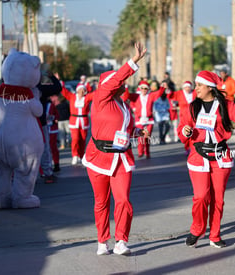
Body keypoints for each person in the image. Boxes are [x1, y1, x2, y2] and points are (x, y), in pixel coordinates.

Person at [82, 42, 148, 256]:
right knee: (101, 202)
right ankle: (103, 240)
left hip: (122, 158)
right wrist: (134, 61)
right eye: (120, 81)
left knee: (123, 200)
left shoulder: (123, 104)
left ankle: (121, 241)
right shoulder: (101, 97)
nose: (124, 83)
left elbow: (124, 128)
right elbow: (117, 78)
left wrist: (137, 132)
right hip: (98, 157)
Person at [178, 70, 235, 248]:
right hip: (199, 156)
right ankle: (197, 228)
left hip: (221, 156)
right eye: (196, 85)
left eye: (199, 85)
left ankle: (214, 234)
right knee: (200, 196)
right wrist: (185, 131)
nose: (195, 88)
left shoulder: (225, 105)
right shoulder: (192, 107)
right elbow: (183, 126)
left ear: (210, 87)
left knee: (217, 199)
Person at [122, 79, 166, 158]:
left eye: (145, 88)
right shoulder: (136, 96)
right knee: (140, 137)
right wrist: (126, 87)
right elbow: (126, 96)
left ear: (148, 89)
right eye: (142, 88)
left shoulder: (151, 96)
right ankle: (140, 152)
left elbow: (159, 93)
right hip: (139, 120)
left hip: (149, 120)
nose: (143, 90)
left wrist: (162, 87)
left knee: (147, 137)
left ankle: (147, 152)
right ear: (140, 88)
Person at [61, 83, 95, 165]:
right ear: (77, 90)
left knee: (83, 140)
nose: (82, 91)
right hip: (74, 121)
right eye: (81, 89)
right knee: (75, 139)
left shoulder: (86, 98)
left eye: (84, 90)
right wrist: (59, 82)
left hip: (84, 121)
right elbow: (64, 91)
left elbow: (95, 94)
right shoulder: (72, 96)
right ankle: (75, 155)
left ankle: (81, 155)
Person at [38, 71, 62, 183]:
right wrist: (52, 77)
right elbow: (57, 88)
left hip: (21, 123)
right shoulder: (39, 88)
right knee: (44, 149)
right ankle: (47, 174)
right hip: (39, 123)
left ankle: (21, 177)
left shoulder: (16, 88)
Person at [167, 80, 196, 153]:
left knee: (194, 132)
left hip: (194, 115)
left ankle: (194, 148)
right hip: (184, 116)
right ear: (183, 88)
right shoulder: (180, 93)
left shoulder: (194, 93)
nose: (187, 89)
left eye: (189, 87)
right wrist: (168, 90)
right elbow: (171, 96)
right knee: (186, 132)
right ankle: (187, 147)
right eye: (186, 87)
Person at [46, 99, 60, 172]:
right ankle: (46, 166)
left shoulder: (51, 105)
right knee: (44, 149)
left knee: (53, 147)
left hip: (52, 129)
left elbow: (57, 115)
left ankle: (56, 164)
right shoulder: (37, 103)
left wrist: (52, 117)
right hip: (42, 128)